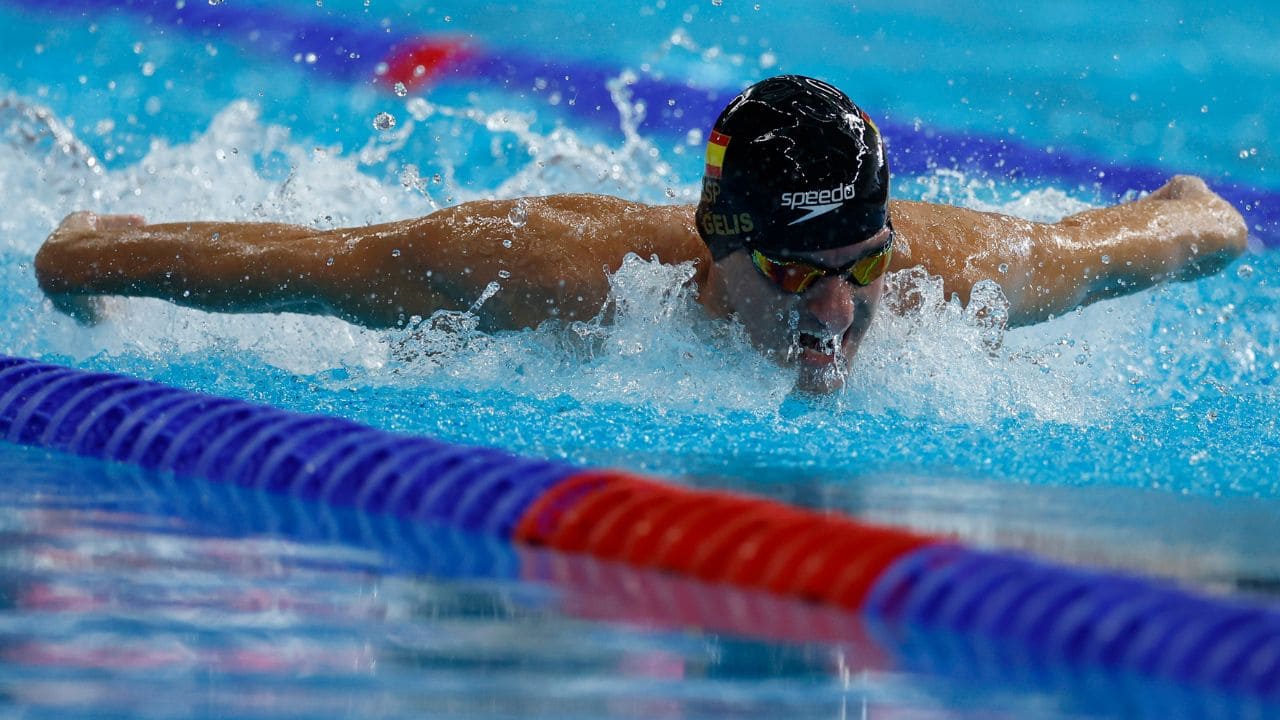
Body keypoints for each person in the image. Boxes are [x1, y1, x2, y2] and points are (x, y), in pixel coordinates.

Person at [34, 75, 1247, 392]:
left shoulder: (953, 276)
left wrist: (1201, 221)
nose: (838, 315)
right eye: (791, 270)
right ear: (715, 238)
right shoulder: (548, 273)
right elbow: (304, 270)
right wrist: (86, 258)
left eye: (858, 264)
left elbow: (1199, 224)